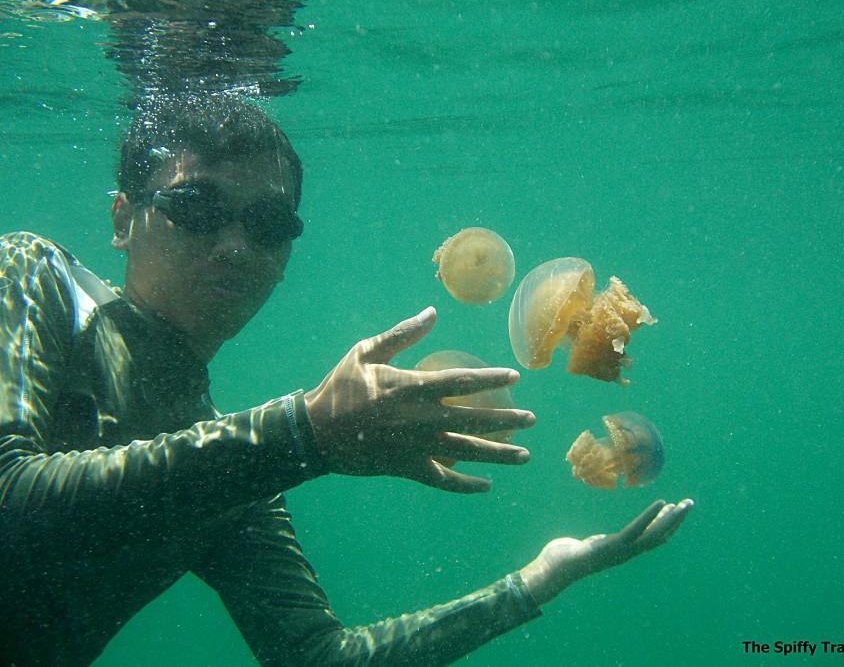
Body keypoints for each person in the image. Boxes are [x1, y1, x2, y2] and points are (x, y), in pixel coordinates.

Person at [0, 95, 692, 667]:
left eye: (269, 223)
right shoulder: (33, 276)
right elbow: (9, 500)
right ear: (124, 219)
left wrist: (539, 579)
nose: (235, 246)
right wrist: (304, 433)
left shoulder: (229, 468)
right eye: (198, 209)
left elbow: (316, 657)